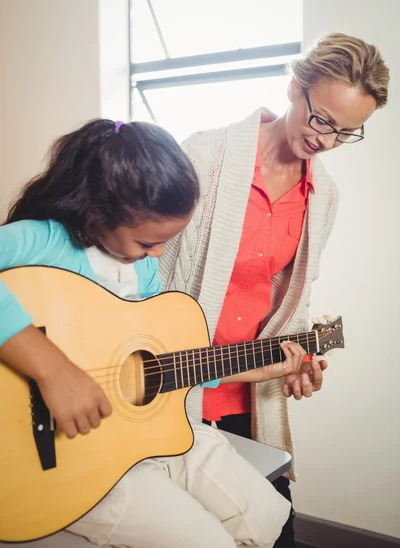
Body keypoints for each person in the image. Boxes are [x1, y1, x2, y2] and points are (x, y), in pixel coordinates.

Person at [0, 119, 308, 548]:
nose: (158, 255)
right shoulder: (41, 241)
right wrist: (53, 370)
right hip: (78, 465)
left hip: (145, 436)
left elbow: (159, 358)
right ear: (97, 213)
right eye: (147, 244)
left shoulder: (142, 270)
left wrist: (249, 370)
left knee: (269, 514)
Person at [159, 32, 390, 546]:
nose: (327, 141)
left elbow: (292, 299)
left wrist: (300, 360)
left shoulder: (324, 195)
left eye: (347, 133)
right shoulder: (203, 156)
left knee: (275, 530)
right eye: (322, 120)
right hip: (168, 391)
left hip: (247, 394)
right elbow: (145, 275)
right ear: (293, 87)